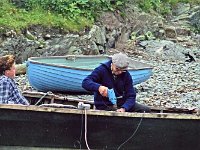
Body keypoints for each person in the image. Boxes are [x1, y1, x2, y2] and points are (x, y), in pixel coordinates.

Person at [82, 52, 150, 112]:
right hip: (104, 105)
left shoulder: (126, 75)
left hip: (121, 104)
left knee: (145, 110)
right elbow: (85, 82)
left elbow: (131, 95)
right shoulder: (101, 70)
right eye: (117, 69)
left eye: (122, 70)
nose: (119, 72)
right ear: (112, 64)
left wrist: (124, 108)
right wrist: (99, 88)